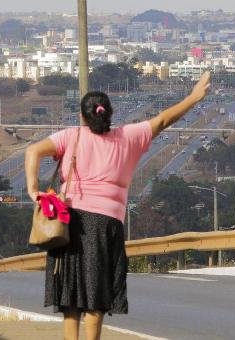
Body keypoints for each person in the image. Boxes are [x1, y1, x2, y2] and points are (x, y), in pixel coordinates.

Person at [24, 72, 211, 340]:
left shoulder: (71, 136)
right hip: (107, 224)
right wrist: (193, 97)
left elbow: (32, 151)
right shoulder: (129, 136)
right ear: (109, 113)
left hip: (70, 221)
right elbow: (164, 119)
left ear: (83, 116)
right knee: (97, 292)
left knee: (71, 293)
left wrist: (33, 190)